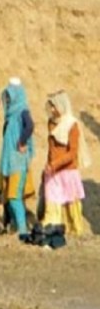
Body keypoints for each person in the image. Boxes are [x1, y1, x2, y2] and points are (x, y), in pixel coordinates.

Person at [41, 91, 91, 236]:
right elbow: (51, 149)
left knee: (72, 207)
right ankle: (50, 232)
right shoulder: (51, 123)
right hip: (53, 172)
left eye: (53, 107)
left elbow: (72, 153)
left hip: (68, 172)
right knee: (52, 204)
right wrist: (48, 165)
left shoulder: (72, 125)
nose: (51, 110)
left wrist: (55, 164)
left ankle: (76, 234)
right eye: (50, 107)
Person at [0, 78, 35, 240]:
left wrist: (22, 141)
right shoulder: (10, 116)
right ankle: (14, 226)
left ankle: (22, 230)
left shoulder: (22, 111)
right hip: (9, 161)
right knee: (9, 195)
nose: (8, 100)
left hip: (17, 162)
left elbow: (30, 126)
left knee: (14, 196)